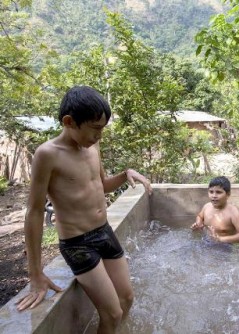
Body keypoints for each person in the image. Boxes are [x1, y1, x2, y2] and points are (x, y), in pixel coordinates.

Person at [16, 86, 153, 334]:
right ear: (69, 122)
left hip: (104, 232)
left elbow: (101, 186)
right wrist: (35, 274)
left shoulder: (92, 147)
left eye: (102, 128)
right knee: (111, 313)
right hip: (78, 243)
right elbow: (34, 211)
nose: (99, 135)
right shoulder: (48, 154)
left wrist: (125, 175)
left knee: (126, 300)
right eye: (95, 128)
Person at [191, 176, 239, 244]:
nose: (214, 196)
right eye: (211, 192)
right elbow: (200, 216)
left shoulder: (233, 212)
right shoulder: (207, 206)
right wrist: (198, 223)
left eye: (218, 192)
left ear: (228, 194)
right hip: (206, 242)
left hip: (225, 247)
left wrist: (220, 239)